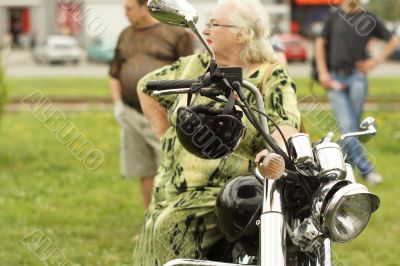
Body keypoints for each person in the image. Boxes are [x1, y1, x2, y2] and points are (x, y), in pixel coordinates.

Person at [133, 0, 301, 264]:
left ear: (242, 34)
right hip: (172, 184)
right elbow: (146, 87)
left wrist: (273, 149)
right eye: (207, 23)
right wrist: (166, 137)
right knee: (153, 234)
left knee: (168, 228)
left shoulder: (269, 74)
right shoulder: (193, 65)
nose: (206, 28)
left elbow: (286, 122)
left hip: (226, 189)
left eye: (215, 24)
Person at [109, 0, 193, 208]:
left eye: (129, 8)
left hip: (162, 114)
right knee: (142, 169)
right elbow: (114, 73)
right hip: (130, 113)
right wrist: (118, 104)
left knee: (168, 167)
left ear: (143, 6)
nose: (125, 13)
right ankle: (149, 220)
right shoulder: (125, 34)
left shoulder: (176, 33)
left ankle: (168, 218)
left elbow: (191, 73)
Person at [315, 0, 399, 185]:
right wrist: (322, 72)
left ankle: (345, 166)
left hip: (357, 79)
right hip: (336, 79)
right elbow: (320, 42)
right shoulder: (335, 16)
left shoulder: (369, 18)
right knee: (347, 126)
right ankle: (367, 171)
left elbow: (394, 40)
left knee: (352, 130)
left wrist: (375, 61)